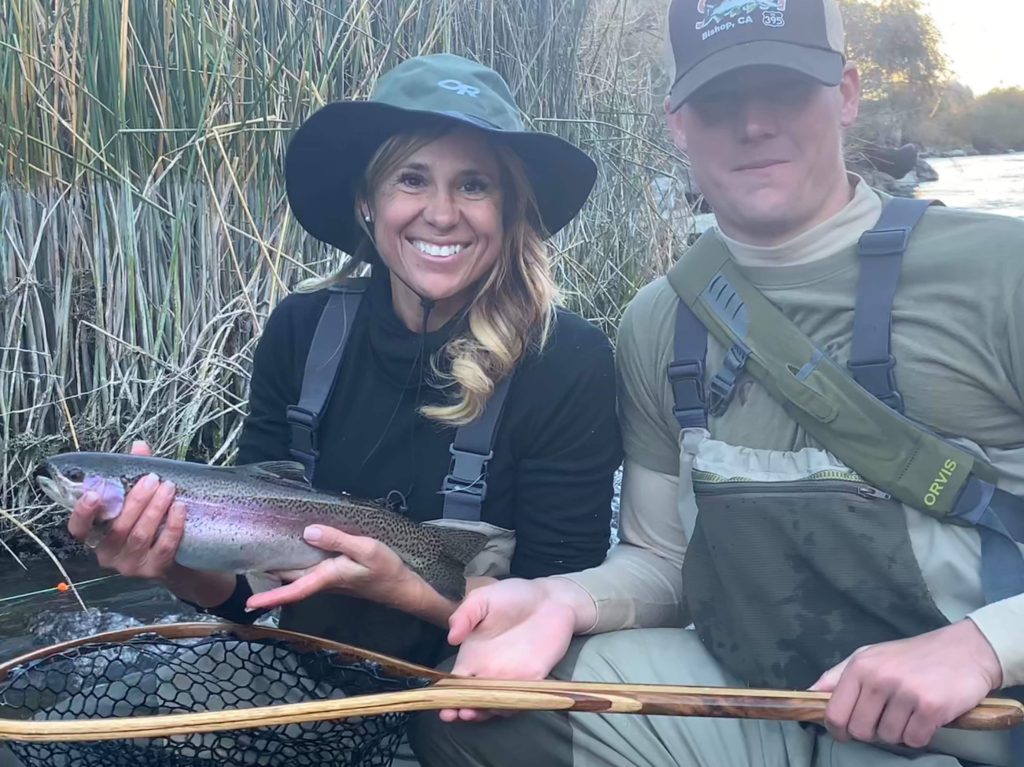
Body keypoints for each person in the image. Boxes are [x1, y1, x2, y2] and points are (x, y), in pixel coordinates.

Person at [411, 2, 1024, 766]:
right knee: (470, 712)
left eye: (786, 89)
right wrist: (563, 600)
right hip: (774, 705)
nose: (754, 124)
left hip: (992, 716)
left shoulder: (1003, 270)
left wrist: (984, 645)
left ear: (847, 93)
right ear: (677, 122)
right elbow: (663, 564)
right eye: (720, 100)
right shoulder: (657, 319)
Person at [65, 53, 622, 667]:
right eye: (412, 179)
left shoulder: (567, 360)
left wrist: (406, 591)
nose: (441, 213)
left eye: (473, 184)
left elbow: (562, 614)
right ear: (367, 201)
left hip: (477, 689)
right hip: (305, 667)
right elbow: (247, 597)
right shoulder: (301, 330)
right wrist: (174, 566)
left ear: (509, 210)